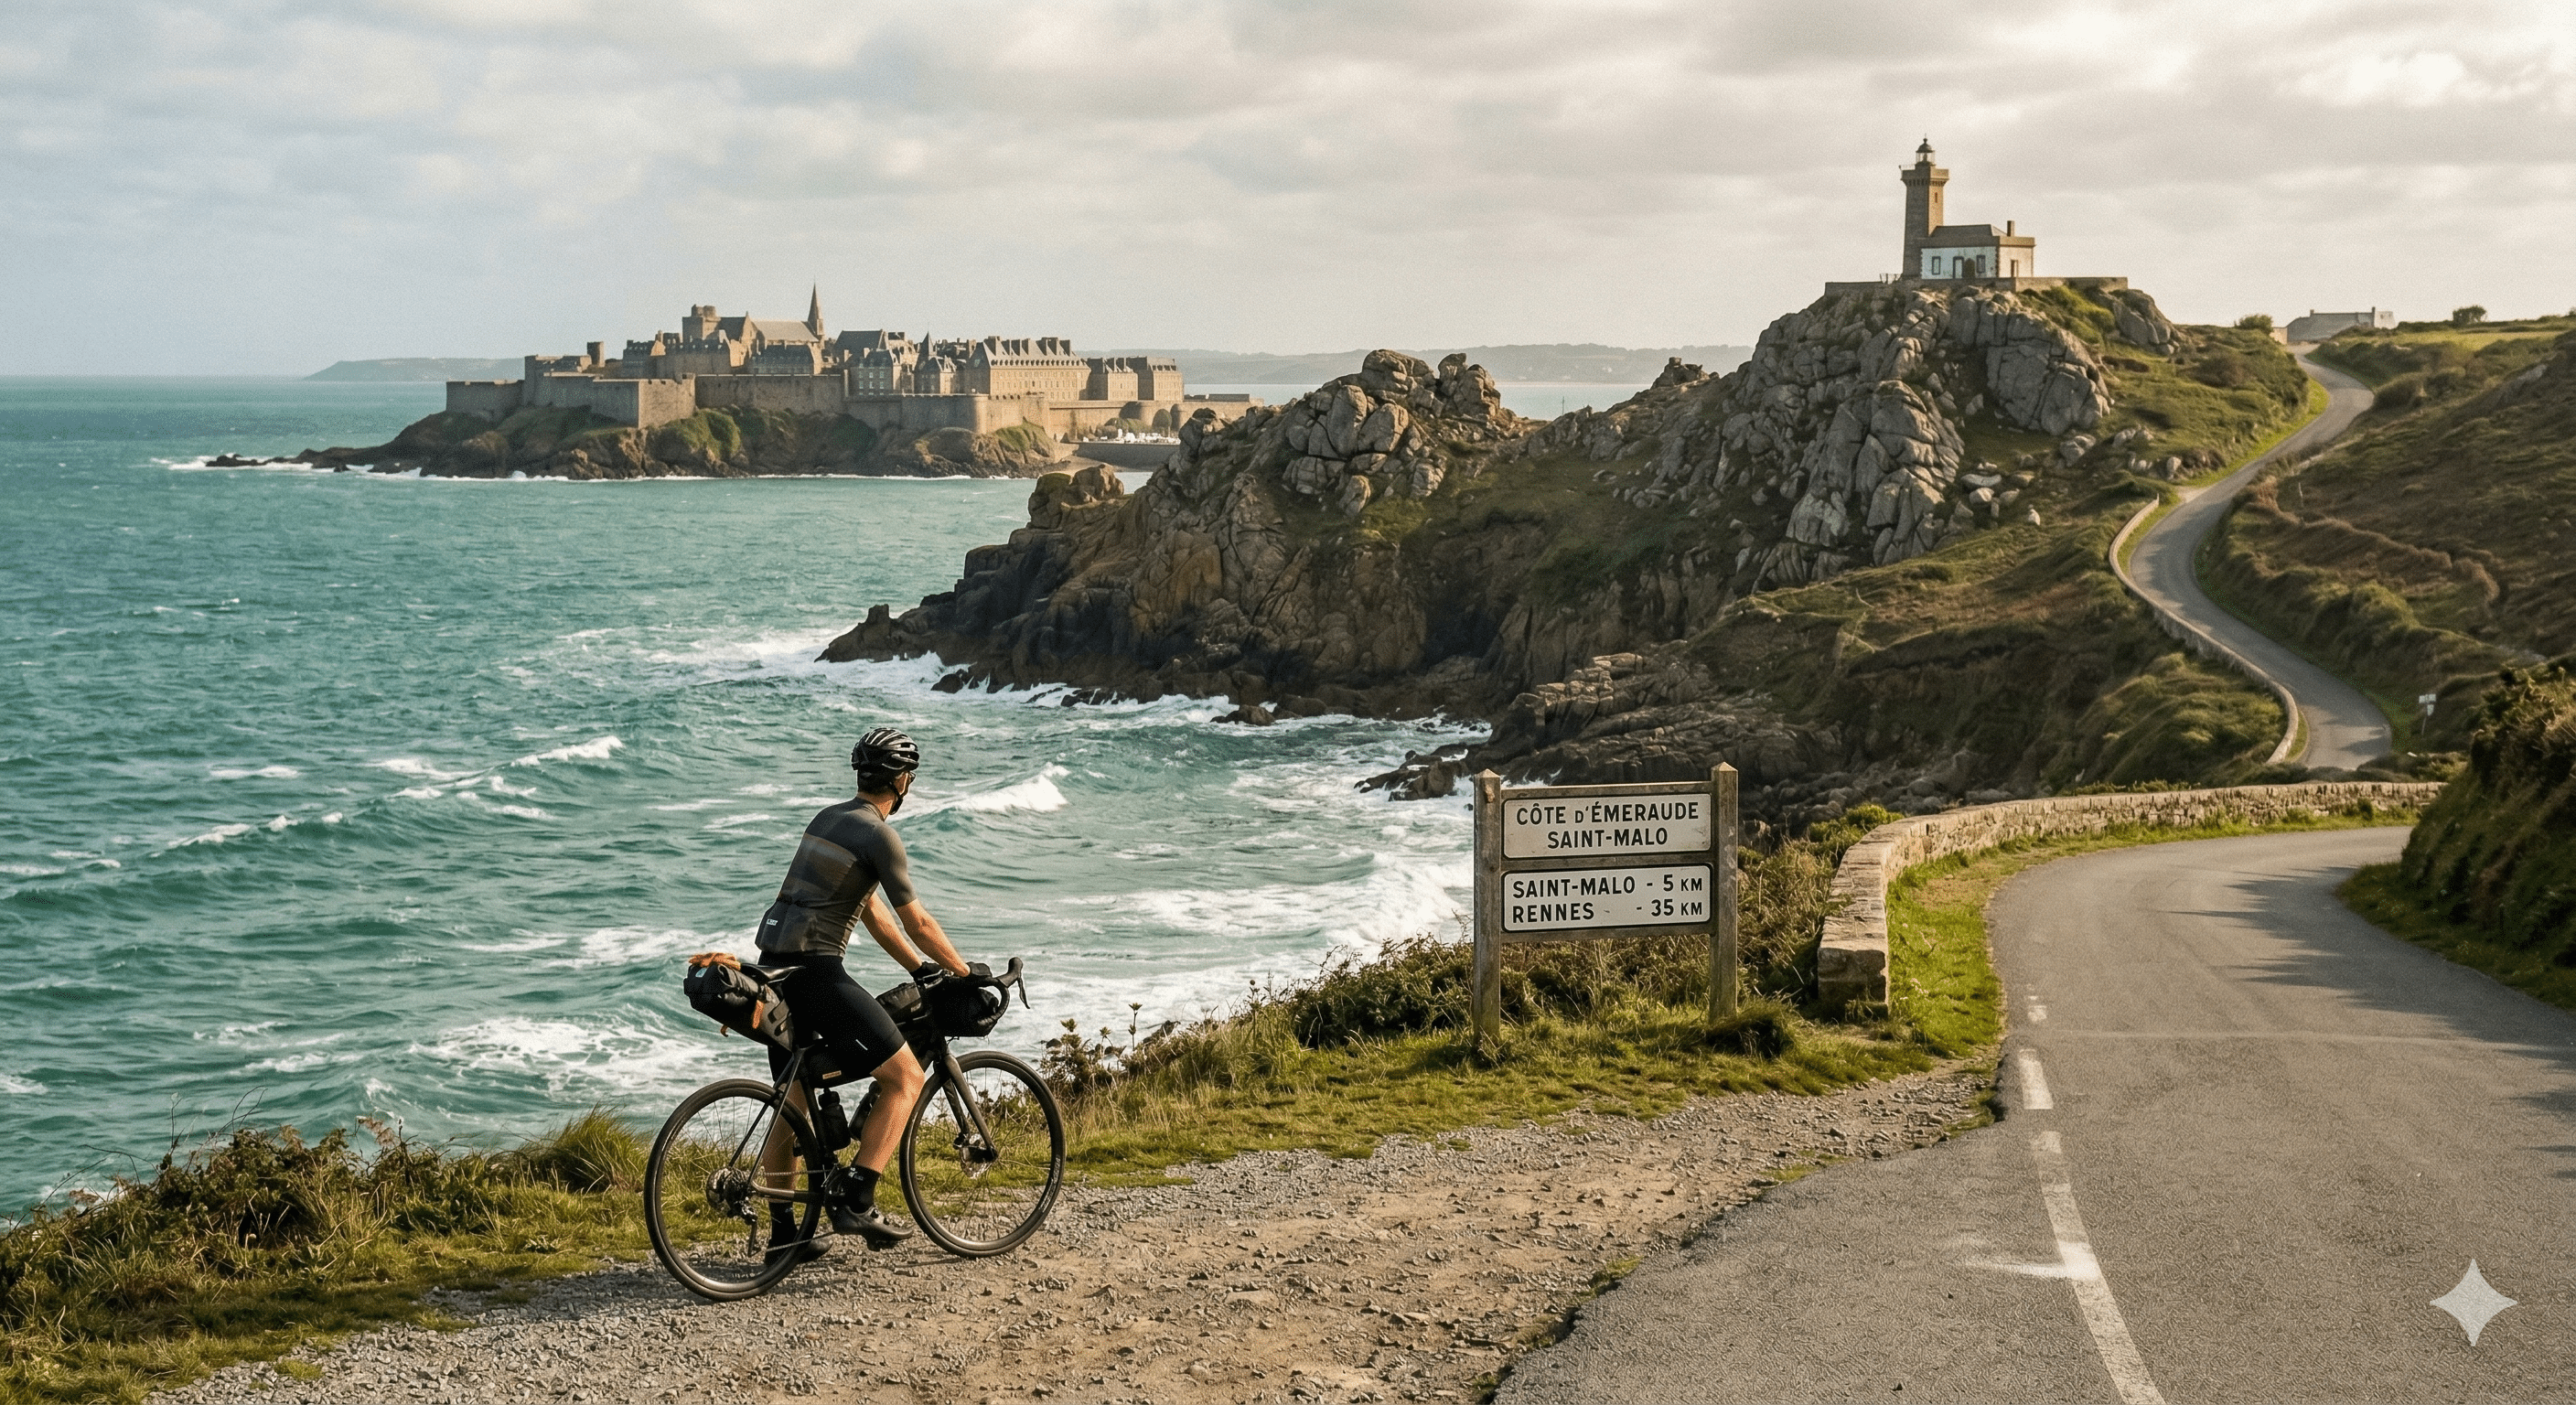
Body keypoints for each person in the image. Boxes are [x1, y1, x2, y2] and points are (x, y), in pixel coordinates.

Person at [752, 725, 974, 1261]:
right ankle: (858, 1197)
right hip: (814, 973)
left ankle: (787, 1236)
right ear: (902, 781)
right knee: (906, 1077)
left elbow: (869, 908)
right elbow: (915, 918)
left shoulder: (829, 818)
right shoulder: (879, 834)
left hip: (773, 968)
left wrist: (919, 968)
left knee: (794, 1098)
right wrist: (963, 973)